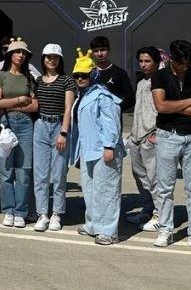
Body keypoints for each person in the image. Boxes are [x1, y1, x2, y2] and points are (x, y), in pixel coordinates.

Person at [150, 40, 191, 251]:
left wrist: (174, 107)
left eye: (188, 62)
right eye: (180, 63)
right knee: (165, 186)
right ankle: (166, 228)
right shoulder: (160, 76)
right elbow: (160, 106)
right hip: (168, 135)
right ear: (171, 59)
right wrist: (189, 102)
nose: (185, 67)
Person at [68, 49, 124, 245]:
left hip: (104, 150)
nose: (80, 79)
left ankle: (109, 231)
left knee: (107, 190)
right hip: (88, 150)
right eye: (76, 75)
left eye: (84, 75)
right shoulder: (81, 95)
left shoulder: (102, 95)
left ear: (93, 75)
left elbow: (111, 123)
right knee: (90, 189)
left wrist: (109, 147)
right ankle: (93, 224)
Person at [0, 37, 38, 228]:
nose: (20, 55)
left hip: (27, 125)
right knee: (5, 171)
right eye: (17, 52)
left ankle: (21, 211)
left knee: (24, 171)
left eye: (23, 53)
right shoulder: (0, 76)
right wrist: (21, 99)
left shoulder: (29, 77)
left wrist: (14, 105)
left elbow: (35, 105)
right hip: (6, 124)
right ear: (10, 55)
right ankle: (8, 210)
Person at [32, 43, 76, 231]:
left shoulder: (67, 80)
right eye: (48, 56)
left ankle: (57, 214)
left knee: (58, 174)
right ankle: (42, 214)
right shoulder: (38, 81)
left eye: (55, 57)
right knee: (40, 175)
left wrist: (63, 132)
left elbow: (68, 109)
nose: (51, 60)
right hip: (40, 126)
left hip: (59, 126)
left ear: (60, 59)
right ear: (43, 59)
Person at [125, 47, 161, 231]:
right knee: (140, 177)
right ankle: (148, 209)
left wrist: (155, 134)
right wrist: (132, 136)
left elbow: (162, 110)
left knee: (154, 179)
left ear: (156, 62)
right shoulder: (141, 83)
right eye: (141, 61)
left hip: (151, 137)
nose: (143, 64)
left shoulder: (161, 81)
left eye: (147, 61)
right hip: (136, 137)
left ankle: (160, 214)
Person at [89, 35, 135, 111]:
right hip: (92, 120)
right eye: (96, 51)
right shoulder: (88, 73)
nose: (99, 54)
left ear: (109, 50)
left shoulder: (120, 73)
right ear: (92, 52)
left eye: (103, 50)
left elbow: (130, 100)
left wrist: (114, 108)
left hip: (113, 120)